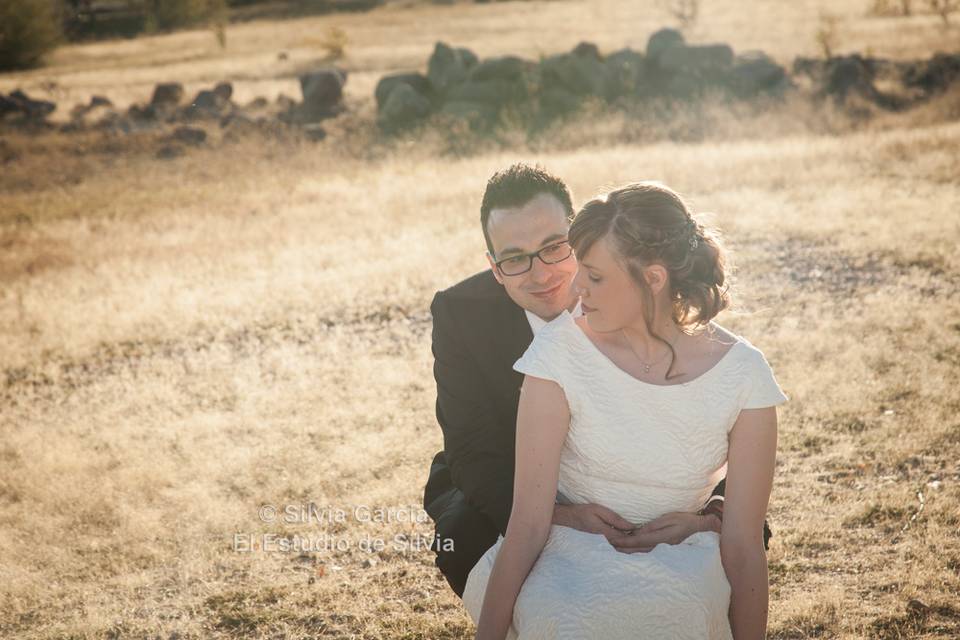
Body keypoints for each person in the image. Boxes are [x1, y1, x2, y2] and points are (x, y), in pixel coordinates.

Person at [422, 164, 769, 600]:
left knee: (744, 528)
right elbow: (472, 446)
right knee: (464, 534)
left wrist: (710, 514)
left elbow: (710, 410)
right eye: (514, 258)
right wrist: (558, 515)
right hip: (513, 477)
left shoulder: (641, 292)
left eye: (554, 247)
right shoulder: (461, 314)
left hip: (653, 470)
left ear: (582, 237)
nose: (541, 273)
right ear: (494, 267)